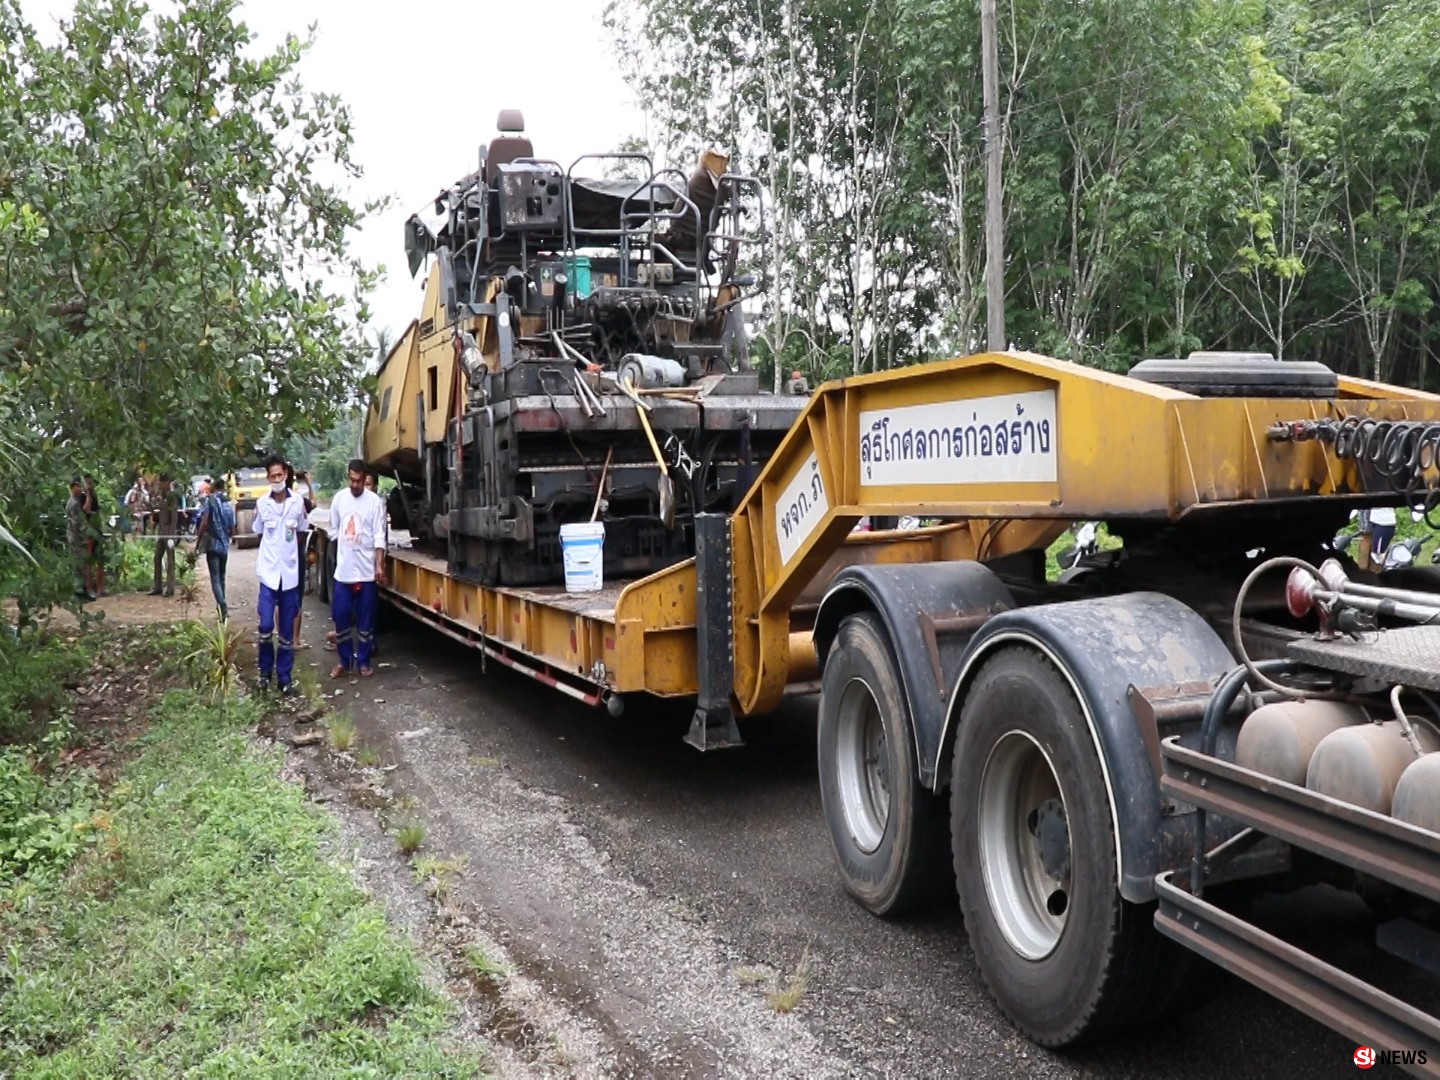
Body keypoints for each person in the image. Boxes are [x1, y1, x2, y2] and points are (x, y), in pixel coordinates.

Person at [253, 455, 309, 695]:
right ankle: (265, 673)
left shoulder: (297, 503)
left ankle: (284, 678)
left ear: (286, 475)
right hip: (268, 574)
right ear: (268, 478)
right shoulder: (262, 504)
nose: (276, 480)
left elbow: (302, 530)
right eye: (272, 476)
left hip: (289, 576)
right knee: (265, 626)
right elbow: (258, 531)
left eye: (279, 475)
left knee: (286, 632)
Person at [329, 458, 387, 679]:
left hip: (366, 572)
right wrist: (345, 548)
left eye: (359, 481)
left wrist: (379, 565)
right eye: (351, 480)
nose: (355, 484)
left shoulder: (374, 502)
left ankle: (363, 661)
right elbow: (334, 529)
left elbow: (380, 536)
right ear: (348, 477)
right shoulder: (339, 500)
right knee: (341, 616)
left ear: (365, 479)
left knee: (366, 621)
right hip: (344, 573)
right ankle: (345, 661)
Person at [194, 479, 235, 622]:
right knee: (222, 578)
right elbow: (232, 528)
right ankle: (223, 609)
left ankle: (221, 605)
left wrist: (198, 543)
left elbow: (204, 523)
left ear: (214, 488)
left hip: (212, 545)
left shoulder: (210, 501)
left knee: (215, 579)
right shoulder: (229, 504)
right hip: (224, 546)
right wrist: (227, 537)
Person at [148, 473, 178, 596]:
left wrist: (170, 535)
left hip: (169, 531)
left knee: (170, 560)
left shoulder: (171, 497)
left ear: (167, 482)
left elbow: (174, 517)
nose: (160, 484)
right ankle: (157, 586)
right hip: (162, 529)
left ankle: (170, 588)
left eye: (162, 481)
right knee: (157, 557)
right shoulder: (162, 496)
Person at [65, 477, 94, 601]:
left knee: (80, 563)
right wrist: (85, 534)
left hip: (76, 536)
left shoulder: (76, 501)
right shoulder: (73, 503)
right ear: (72, 488)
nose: (80, 489)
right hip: (76, 536)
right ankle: (79, 591)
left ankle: (82, 589)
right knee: (78, 563)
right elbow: (77, 522)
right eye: (77, 486)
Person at [81, 474, 106, 598]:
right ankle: (90, 588)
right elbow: (86, 509)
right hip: (88, 530)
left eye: (91, 483)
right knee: (89, 561)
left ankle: (100, 588)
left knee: (100, 559)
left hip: (97, 529)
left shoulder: (94, 495)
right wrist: (88, 495)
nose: (90, 485)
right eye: (88, 483)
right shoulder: (82, 497)